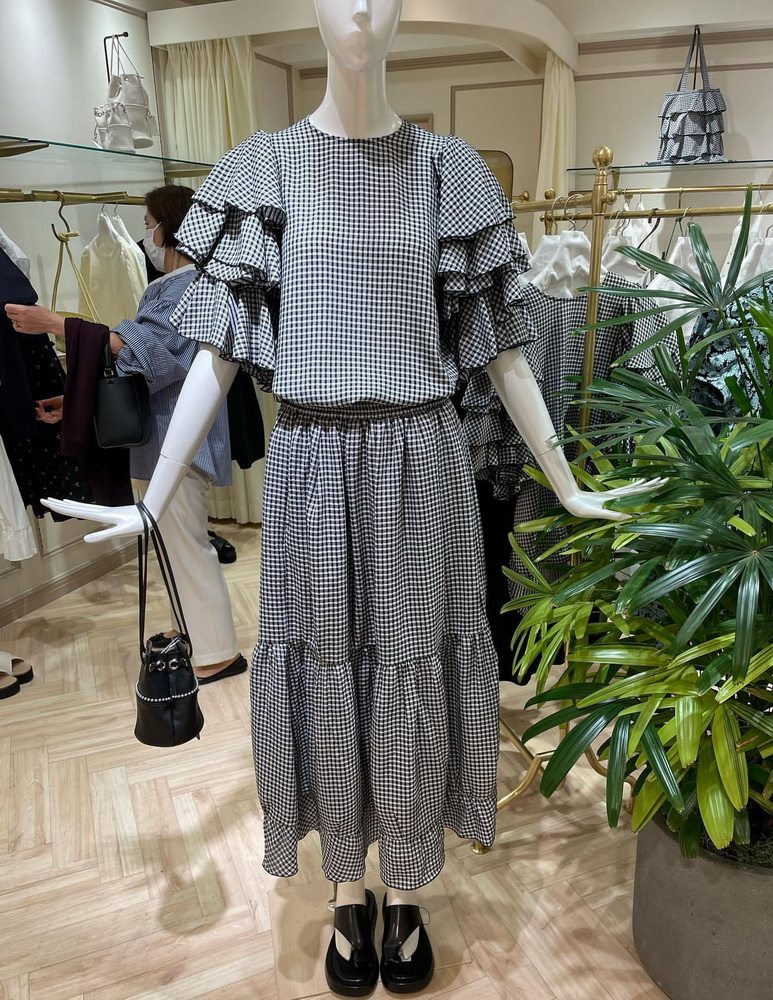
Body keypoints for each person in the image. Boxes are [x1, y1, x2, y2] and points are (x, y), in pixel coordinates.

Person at [36, 2, 662, 995]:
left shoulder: (447, 171)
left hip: (421, 458)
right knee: (325, 663)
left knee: (411, 666)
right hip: (312, 459)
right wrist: (153, 500)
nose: (362, 6)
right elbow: (218, 350)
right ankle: (345, 885)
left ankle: (404, 887)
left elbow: (502, 350)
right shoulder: (265, 168)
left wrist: (567, 481)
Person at [5, 185, 246, 685]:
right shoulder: (177, 284)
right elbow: (139, 363)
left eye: (149, 223)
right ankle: (198, 632)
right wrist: (74, 401)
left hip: (177, 440)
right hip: (165, 435)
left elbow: (149, 354)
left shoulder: (189, 287)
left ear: (171, 227)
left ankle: (219, 652)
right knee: (177, 543)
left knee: (185, 545)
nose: (147, 235)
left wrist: (55, 323)